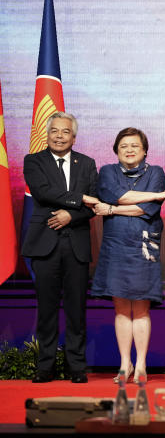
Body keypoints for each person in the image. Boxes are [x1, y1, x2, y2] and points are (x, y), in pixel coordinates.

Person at [90, 127, 165, 383]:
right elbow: (118, 196)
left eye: (135, 146)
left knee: (140, 308)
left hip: (143, 244)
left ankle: (140, 365)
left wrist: (112, 210)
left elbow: (146, 210)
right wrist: (156, 195)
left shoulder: (156, 172)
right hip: (115, 245)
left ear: (145, 150)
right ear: (116, 150)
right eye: (124, 146)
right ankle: (124, 364)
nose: (129, 150)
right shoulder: (107, 172)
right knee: (120, 309)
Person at [21, 112, 99, 383]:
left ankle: (77, 366)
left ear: (73, 137)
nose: (59, 136)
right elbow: (43, 192)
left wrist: (70, 214)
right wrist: (80, 199)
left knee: (77, 309)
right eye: (54, 131)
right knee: (47, 309)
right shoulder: (34, 161)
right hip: (45, 244)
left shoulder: (87, 164)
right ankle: (45, 366)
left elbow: (95, 206)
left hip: (76, 244)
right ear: (47, 133)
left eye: (65, 132)